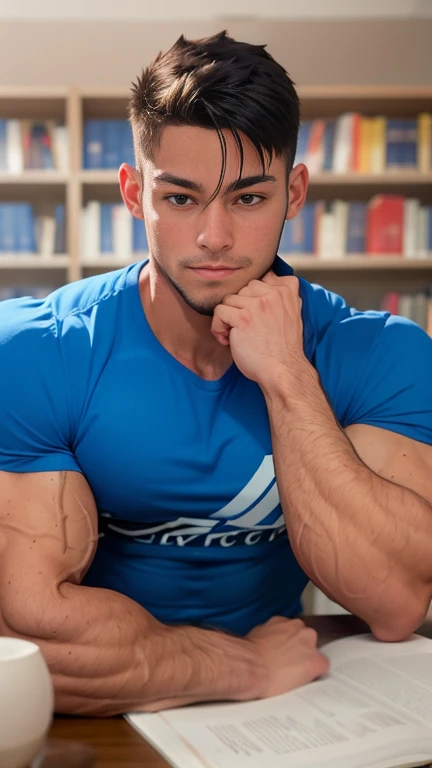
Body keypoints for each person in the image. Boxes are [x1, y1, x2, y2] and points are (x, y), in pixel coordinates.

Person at [1, 31, 432, 718]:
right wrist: (243, 666)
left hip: (296, 704)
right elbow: (31, 633)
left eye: (248, 199)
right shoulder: (36, 351)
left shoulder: (376, 353)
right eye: (180, 199)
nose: (214, 238)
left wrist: (288, 376)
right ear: (134, 193)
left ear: (294, 194)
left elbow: (396, 602)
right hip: (156, 704)